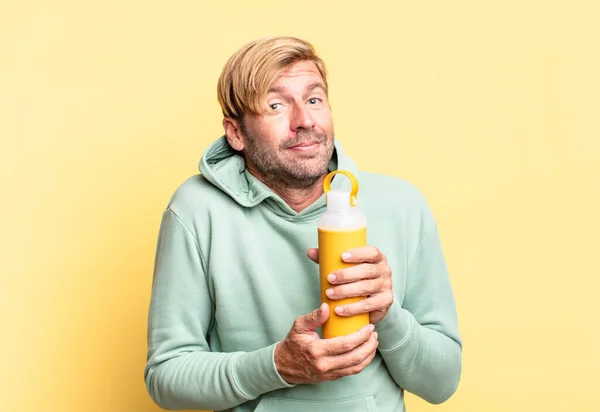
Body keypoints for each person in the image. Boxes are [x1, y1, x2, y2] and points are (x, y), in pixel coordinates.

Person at [144, 36, 462, 412]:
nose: (304, 121)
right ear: (236, 133)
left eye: (314, 100)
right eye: (276, 105)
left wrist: (386, 315)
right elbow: (166, 378)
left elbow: (442, 383)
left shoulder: (402, 204)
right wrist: (278, 365)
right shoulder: (197, 209)